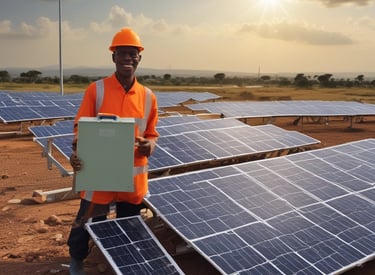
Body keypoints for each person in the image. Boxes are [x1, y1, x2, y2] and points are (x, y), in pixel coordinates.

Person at [67, 27, 159, 275]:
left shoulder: (148, 97)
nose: (127, 58)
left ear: (139, 57)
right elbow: (80, 128)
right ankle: (77, 259)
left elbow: (151, 133)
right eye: (122, 54)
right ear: (113, 57)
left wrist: (150, 144)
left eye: (132, 54)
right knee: (85, 224)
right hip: (100, 175)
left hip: (131, 179)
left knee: (128, 228)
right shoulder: (96, 90)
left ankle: (122, 265)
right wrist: (76, 150)